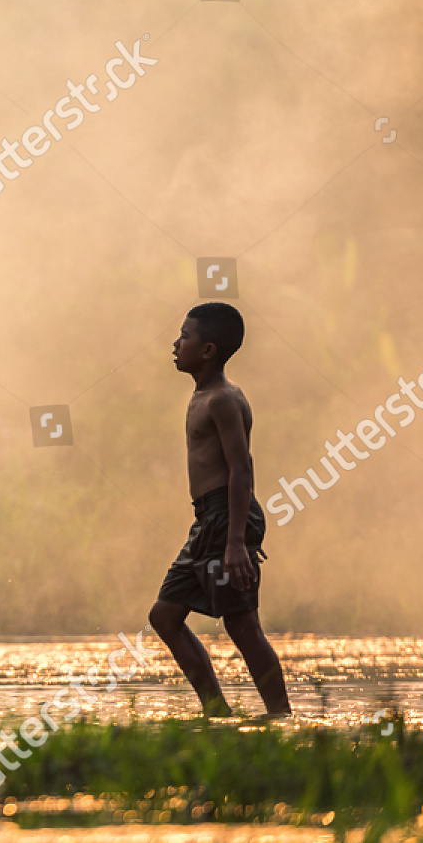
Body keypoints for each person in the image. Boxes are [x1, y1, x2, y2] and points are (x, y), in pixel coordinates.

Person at [149, 302, 291, 718]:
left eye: (185, 336)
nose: (176, 344)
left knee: (242, 625)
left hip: (224, 517)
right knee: (165, 615)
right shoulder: (202, 396)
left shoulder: (224, 400)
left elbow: (242, 469)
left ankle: (282, 718)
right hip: (208, 521)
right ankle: (216, 712)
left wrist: (236, 541)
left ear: (208, 350)